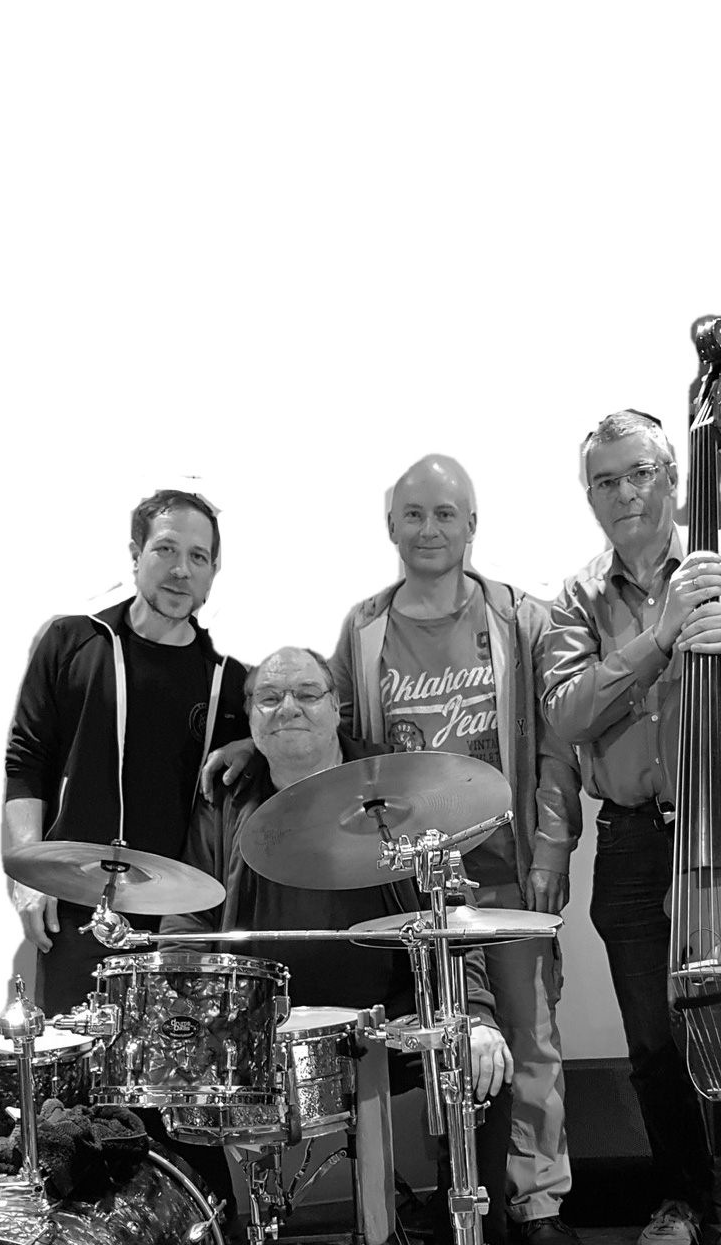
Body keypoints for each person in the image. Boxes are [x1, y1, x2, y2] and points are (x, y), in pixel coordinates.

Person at [202, 458, 583, 1244]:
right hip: (400, 854)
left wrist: (551, 847)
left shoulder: (519, 617)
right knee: (463, 1030)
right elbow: (312, 710)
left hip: (498, 861)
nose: (428, 529)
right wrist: (254, 741)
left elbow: (552, 741)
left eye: (445, 513)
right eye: (412, 514)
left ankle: (535, 1205)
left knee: (522, 1035)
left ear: (471, 523)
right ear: (390, 527)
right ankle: (458, 1203)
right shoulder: (365, 625)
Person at [541, 410, 721, 1245]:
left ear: (674, 479)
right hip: (635, 839)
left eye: (639, 473)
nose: (624, 493)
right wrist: (658, 638)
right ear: (588, 495)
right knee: (653, 1042)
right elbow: (565, 714)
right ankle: (681, 1204)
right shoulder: (576, 597)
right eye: (605, 480)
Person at [162, 645, 515, 1245]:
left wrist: (475, 1017)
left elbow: (451, 917)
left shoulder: (397, 784)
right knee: (168, 1080)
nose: (288, 708)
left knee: (479, 1065)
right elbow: (186, 919)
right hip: (264, 1035)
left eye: (307, 694)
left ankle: (466, 1232)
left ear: (336, 706)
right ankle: (217, 1233)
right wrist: (194, 1022)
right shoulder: (225, 798)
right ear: (249, 716)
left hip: (393, 1024)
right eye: (269, 698)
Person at [3, 487, 249, 1220]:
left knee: (179, 1113)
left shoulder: (230, 681)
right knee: (75, 1115)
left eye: (198, 556)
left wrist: (249, 743)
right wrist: (26, 872)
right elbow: (27, 759)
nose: (181, 569)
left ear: (214, 571)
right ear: (136, 553)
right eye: (165, 550)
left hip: (180, 926)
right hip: (81, 911)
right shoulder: (72, 643)